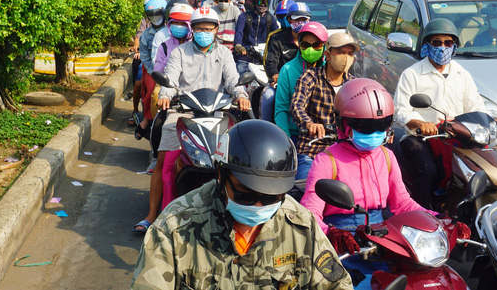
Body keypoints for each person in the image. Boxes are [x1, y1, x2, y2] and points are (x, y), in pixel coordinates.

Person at [132, 120, 353, 290]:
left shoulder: (301, 226)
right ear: (221, 175)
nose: (258, 206)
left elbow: (337, 284)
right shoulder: (175, 228)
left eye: (271, 198)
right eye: (245, 195)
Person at [301, 79, 467, 289]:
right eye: (365, 127)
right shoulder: (327, 161)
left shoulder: (387, 156)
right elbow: (310, 214)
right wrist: (332, 235)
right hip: (345, 246)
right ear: (343, 124)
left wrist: (439, 219)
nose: (374, 134)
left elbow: (403, 204)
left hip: (385, 241)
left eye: (381, 126)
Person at [132, 7, 250, 234]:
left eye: (208, 29)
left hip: (217, 113)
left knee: (233, 160)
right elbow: (170, 79)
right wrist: (166, 96)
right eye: (198, 29)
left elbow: (234, 80)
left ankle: (234, 211)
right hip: (182, 112)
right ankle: (160, 215)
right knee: (166, 163)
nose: (203, 32)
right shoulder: (180, 53)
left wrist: (241, 95)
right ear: (192, 30)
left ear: (216, 30)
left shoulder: (224, 53)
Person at [393, 18, 486, 208]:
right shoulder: (412, 74)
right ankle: (418, 213)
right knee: (429, 172)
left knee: (477, 169)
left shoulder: (462, 74)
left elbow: (475, 106)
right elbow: (400, 110)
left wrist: (492, 122)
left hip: (457, 136)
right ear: (427, 45)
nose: (442, 47)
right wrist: (420, 124)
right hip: (420, 138)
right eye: (436, 42)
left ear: (454, 46)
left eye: (448, 43)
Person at [289, 32, 359, 179]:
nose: (346, 58)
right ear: (327, 55)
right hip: (313, 150)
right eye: (340, 52)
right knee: (307, 189)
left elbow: (366, 110)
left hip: (345, 153)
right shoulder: (310, 77)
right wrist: (309, 123)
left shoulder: (354, 85)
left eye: (350, 53)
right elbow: (296, 106)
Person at [275, 23, 328, 151]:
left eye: (317, 45)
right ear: (299, 46)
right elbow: (281, 109)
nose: (311, 50)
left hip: (325, 137)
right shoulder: (287, 70)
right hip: (295, 135)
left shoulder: (330, 70)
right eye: (306, 45)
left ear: (324, 47)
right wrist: (286, 141)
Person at [259, 1, 308, 121]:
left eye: (304, 19)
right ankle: (267, 127)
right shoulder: (277, 38)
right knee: (268, 97)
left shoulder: (314, 38)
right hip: (282, 82)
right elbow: (270, 61)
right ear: (289, 20)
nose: (300, 23)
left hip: (308, 81)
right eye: (297, 19)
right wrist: (275, 75)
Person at [136, 0, 167, 140]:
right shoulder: (146, 35)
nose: (155, 18)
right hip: (152, 70)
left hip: (170, 70)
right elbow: (145, 56)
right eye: (152, 15)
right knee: (151, 93)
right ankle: (148, 119)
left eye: (158, 14)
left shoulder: (171, 31)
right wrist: (151, 71)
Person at [233, 0, 279, 75]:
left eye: (266, 2)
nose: (263, 4)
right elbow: (239, 32)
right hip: (245, 57)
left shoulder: (270, 18)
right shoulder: (244, 16)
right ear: (254, 1)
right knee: (238, 80)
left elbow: (276, 34)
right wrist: (239, 45)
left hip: (263, 58)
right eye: (260, 1)